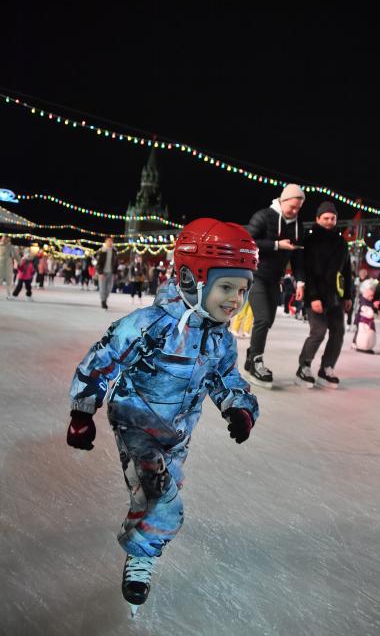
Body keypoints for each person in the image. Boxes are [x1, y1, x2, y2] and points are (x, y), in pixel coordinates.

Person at [67, 218, 259, 612]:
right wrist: (83, 410)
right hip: (136, 422)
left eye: (242, 289)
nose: (234, 300)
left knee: (153, 492)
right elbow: (102, 359)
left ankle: (142, 548)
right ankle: (140, 561)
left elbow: (225, 377)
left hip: (178, 430)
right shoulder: (150, 325)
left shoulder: (220, 338)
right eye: (226, 287)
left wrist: (238, 406)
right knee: (163, 500)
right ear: (191, 280)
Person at [245, 183, 305, 388]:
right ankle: (256, 361)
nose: (295, 211)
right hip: (256, 275)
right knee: (262, 318)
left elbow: (297, 257)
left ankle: (251, 357)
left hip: (274, 279)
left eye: (299, 208)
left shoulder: (298, 226)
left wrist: (300, 282)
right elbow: (248, 241)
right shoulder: (264, 216)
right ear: (283, 200)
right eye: (293, 206)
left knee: (268, 320)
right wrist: (277, 245)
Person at [295, 202, 352, 389]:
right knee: (318, 331)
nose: (329, 221)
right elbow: (307, 270)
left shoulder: (341, 242)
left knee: (338, 332)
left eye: (332, 218)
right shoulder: (310, 241)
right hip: (316, 295)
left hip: (336, 296)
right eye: (325, 218)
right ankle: (304, 367)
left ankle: (326, 368)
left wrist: (348, 296)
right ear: (318, 219)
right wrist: (313, 297)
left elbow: (347, 271)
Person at [352, 279, 377, 353]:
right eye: (371, 295)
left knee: (361, 331)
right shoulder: (362, 300)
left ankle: (357, 342)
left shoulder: (367, 300)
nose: (372, 297)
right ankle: (355, 342)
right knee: (359, 331)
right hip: (360, 319)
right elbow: (362, 309)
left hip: (364, 320)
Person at [96, 237, 118, 309]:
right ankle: (103, 301)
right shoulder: (102, 251)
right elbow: (98, 263)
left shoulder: (114, 251)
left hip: (111, 273)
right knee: (102, 288)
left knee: (109, 288)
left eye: (111, 241)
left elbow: (116, 263)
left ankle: (105, 299)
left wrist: (115, 273)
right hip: (103, 273)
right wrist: (100, 272)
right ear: (106, 242)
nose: (110, 242)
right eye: (108, 241)